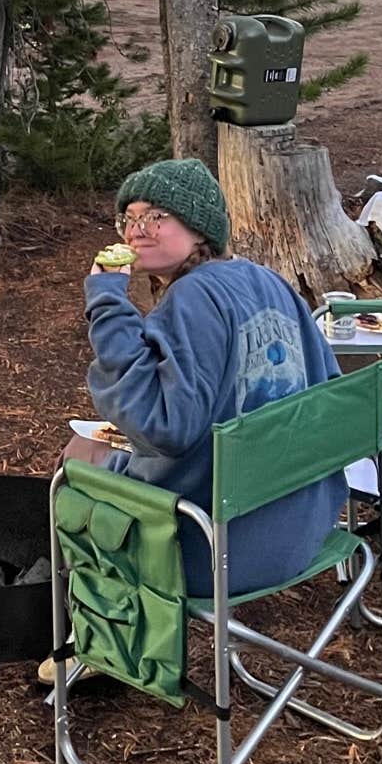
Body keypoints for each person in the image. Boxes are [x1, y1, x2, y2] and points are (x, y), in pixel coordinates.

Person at [74, 156, 346, 599]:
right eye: (129, 217)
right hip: (300, 522)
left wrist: (107, 305)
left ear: (200, 229)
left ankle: (101, 642)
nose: (135, 229)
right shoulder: (268, 281)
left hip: (213, 546)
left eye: (156, 216)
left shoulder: (194, 297)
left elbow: (161, 427)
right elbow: (329, 393)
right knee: (105, 454)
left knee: (77, 462)